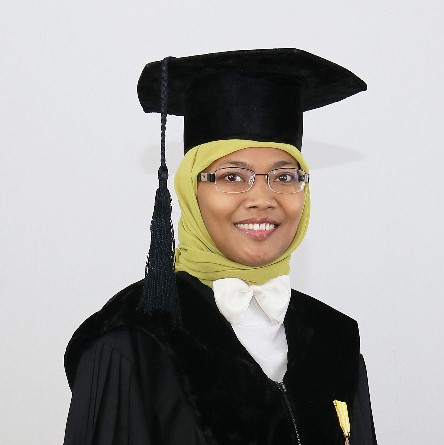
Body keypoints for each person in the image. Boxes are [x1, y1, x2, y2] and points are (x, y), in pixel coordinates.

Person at [63, 49, 377, 445]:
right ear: (190, 190)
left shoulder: (334, 340)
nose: (262, 199)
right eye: (232, 176)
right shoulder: (134, 342)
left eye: (284, 177)